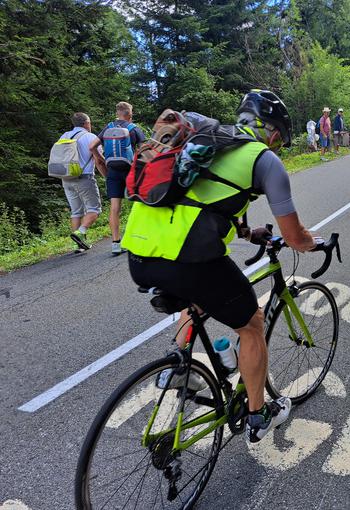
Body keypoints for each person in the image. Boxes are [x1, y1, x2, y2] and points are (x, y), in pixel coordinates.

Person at [121, 89, 319, 443]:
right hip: (187, 262)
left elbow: (201, 198)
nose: (278, 149)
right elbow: (293, 235)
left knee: (196, 298)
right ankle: (259, 416)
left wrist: (245, 230)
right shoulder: (264, 158)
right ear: (273, 133)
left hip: (138, 255)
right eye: (281, 143)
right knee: (252, 324)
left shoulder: (205, 141)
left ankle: (179, 364)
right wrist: (312, 243)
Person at [89, 101, 146, 255]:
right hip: (131, 171)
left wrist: (104, 159)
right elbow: (144, 152)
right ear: (129, 114)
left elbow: (92, 146)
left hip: (113, 171)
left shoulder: (108, 128)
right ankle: (139, 238)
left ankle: (115, 244)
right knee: (140, 203)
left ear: (117, 113)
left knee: (115, 208)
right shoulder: (134, 129)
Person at [58, 113, 103, 252]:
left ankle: (78, 245)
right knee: (94, 209)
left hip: (66, 178)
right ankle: (80, 232)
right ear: (86, 123)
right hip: (84, 177)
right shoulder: (91, 137)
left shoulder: (64, 136)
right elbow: (99, 160)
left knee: (76, 211)